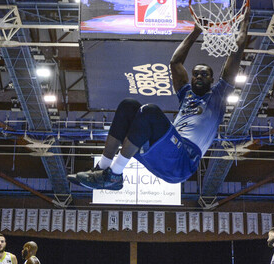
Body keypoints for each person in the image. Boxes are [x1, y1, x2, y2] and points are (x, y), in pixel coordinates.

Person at [68, 7, 251, 190]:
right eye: (196, 74)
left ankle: (114, 176)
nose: (199, 77)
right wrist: (196, 31)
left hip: (183, 161)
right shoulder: (186, 95)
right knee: (128, 106)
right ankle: (102, 169)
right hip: (163, 154)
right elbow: (175, 63)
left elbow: (237, 50)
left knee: (150, 112)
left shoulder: (218, 97)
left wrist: (245, 21)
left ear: (212, 80)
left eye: (204, 74)